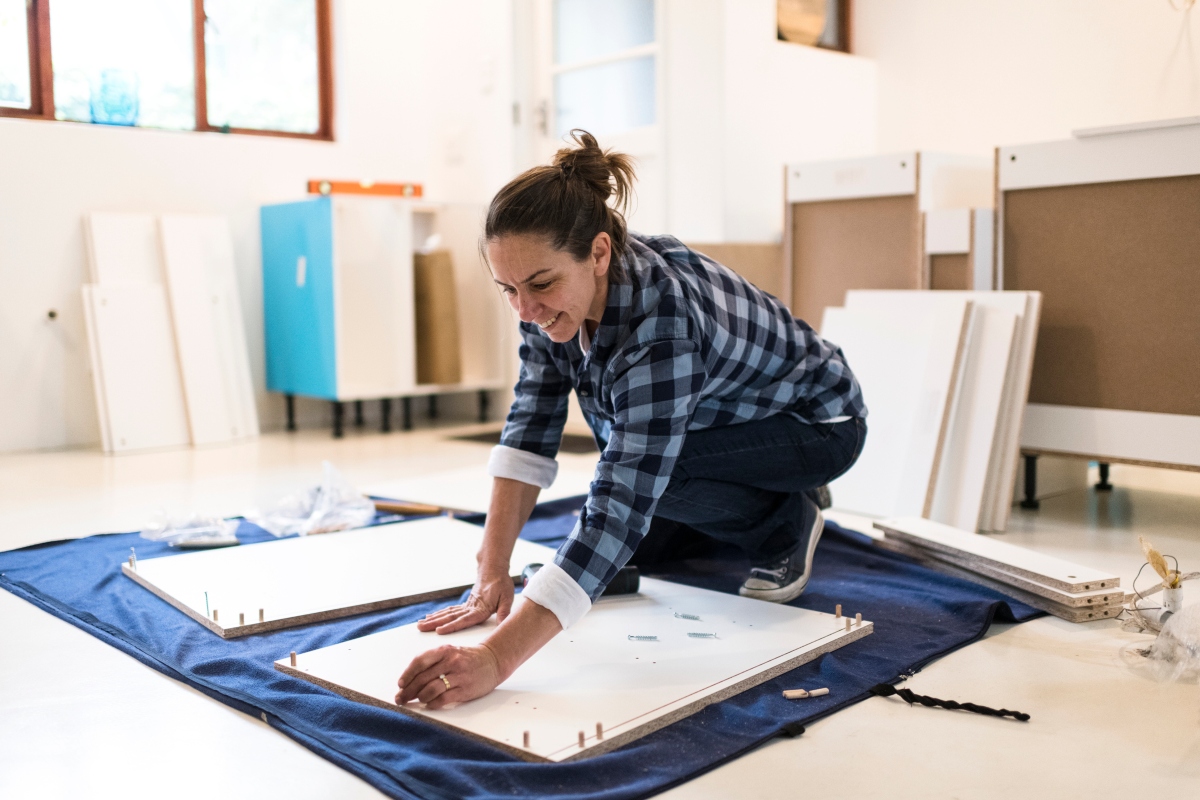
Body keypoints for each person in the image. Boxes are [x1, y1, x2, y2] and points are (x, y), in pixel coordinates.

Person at [395, 131, 866, 709]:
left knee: (650, 476)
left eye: (540, 285)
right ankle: (639, 549)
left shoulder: (659, 320)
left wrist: (495, 657)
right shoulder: (544, 295)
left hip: (818, 423)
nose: (525, 309)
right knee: (625, 452)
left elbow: (623, 492)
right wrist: (492, 571)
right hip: (720, 418)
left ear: (597, 253)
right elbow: (530, 426)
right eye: (508, 289)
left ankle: (785, 519)